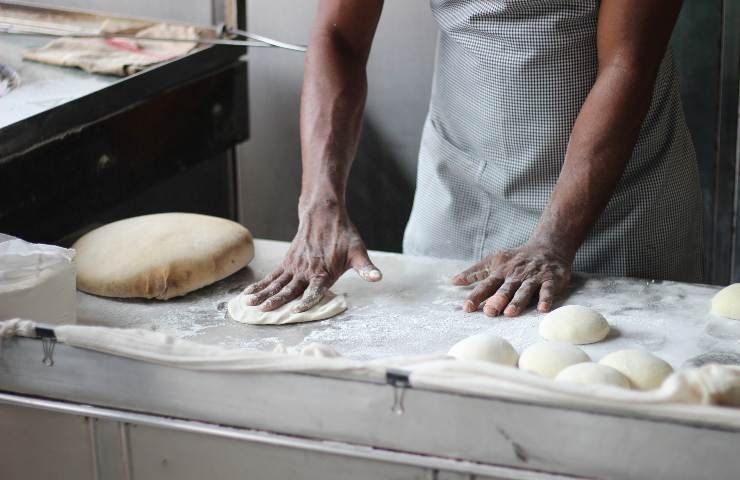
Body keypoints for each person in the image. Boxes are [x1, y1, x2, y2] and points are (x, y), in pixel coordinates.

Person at [243, 0, 702, 318]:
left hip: (614, 200)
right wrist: (320, 202)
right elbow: (338, 38)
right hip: (460, 182)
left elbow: (628, 63)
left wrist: (553, 240)